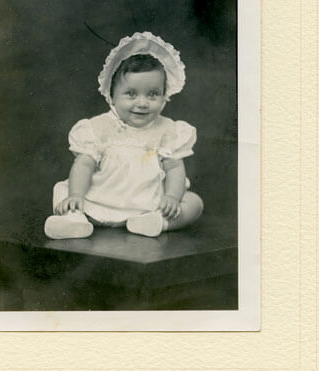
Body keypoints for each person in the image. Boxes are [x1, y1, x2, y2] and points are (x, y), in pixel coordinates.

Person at [44, 31, 204, 239]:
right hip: (97, 202)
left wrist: (172, 197)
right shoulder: (99, 127)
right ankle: (75, 219)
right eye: (131, 94)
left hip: (148, 206)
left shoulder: (168, 130)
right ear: (112, 96)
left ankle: (157, 222)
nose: (142, 103)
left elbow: (174, 167)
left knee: (193, 202)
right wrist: (76, 195)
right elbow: (84, 164)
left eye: (153, 94)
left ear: (165, 96)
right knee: (63, 190)